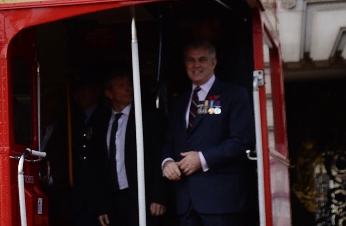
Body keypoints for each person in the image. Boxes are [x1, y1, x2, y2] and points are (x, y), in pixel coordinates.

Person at [161, 40, 254, 226]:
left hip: (222, 200)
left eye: (202, 59)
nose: (196, 65)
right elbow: (169, 141)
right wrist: (167, 162)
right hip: (186, 201)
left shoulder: (234, 95)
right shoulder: (179, 102)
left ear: (214, 63)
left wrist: (202, 159)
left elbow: (242, 140)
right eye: (191, 60)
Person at [95, 72, 167, 226]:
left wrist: (158, 197)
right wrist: (102, 206)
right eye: (121, 85)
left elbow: (159, 156)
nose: (128, 89)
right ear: (109, 93)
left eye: (129, 84)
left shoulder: (147, 117)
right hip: (113, 202)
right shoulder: (102, 123)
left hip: (143, 198)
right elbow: (99, 168)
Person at [43, 76, 107, 226]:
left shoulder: (107, 116)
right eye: (77, 90)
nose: (80, 94)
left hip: (101, 190)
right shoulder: (73, 119)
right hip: (78, 194)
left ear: (97, 92)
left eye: (85, 89)